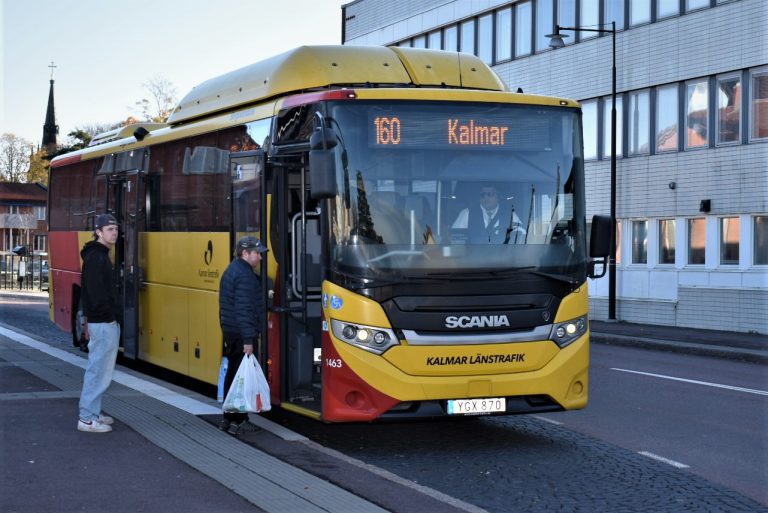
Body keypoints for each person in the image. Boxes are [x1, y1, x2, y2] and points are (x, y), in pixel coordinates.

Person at [218, 235, 267, 435]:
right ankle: (239, 420)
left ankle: (228, 419)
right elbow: (244, 309)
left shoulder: (232, 270)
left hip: (232, 331)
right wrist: (249, 339)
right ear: (245, 253)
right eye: (257, 253)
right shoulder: (245, 276)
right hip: (241, 333)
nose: (260, 258)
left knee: (234, 374)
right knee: (242, 378)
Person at [77, 213, 120, 433]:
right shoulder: (96, 257)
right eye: (109, 229)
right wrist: (109, 315)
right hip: (103, 323)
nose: (114, 233)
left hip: (103, 321)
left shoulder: (100, 254)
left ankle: (93, 412)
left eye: (115, 229)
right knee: (98, 371)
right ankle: (86, 418)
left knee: (102, 371)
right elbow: (95, 293)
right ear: (98, 231)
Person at [452, 183, 526, 244]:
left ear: (498, 197)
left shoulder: (509, 214)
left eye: (490, 194)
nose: (486, 197)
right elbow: (455, 238)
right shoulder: (467, 213)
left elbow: (522, 234)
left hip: (501, 259)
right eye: (483, 194)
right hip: (474, 259)